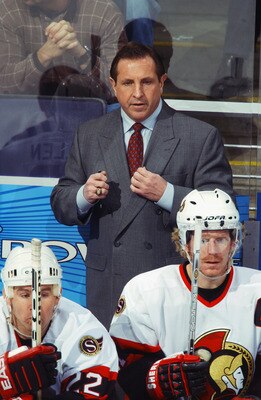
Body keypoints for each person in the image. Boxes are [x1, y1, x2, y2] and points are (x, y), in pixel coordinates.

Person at [50, 42, 234, 328]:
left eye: (146, 82)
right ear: (113, 85)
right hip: (108, 286)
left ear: (162, 82)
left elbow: (224, 204)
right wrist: (83, 195)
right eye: (127, 83)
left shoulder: (200, 136)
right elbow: (61, 202)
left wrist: (168, 194)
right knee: (113, 370)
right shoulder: (89, 134)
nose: (137, 93)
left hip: (172, 286)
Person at [109, 188, 261, 399]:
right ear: (185, 243)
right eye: (203, 239)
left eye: (220, 239)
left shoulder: (257, 289)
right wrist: (158, 377)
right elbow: (125, 370)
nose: (212, 251)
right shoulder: (145, 290)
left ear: (234, 242)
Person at [0, 242, 118, 399]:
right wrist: (4, 380)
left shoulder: (84, 327)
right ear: (8, 297)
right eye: (25, 295)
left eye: (43, 294)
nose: (34, 306)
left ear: (58, 296)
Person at [0, 0, 126, 98]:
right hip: (29, 117)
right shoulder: (8, 10)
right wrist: (42, 56)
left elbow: (123, 87)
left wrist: (82, 55)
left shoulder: (104, 12)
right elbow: (4, 85)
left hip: (91, 113)